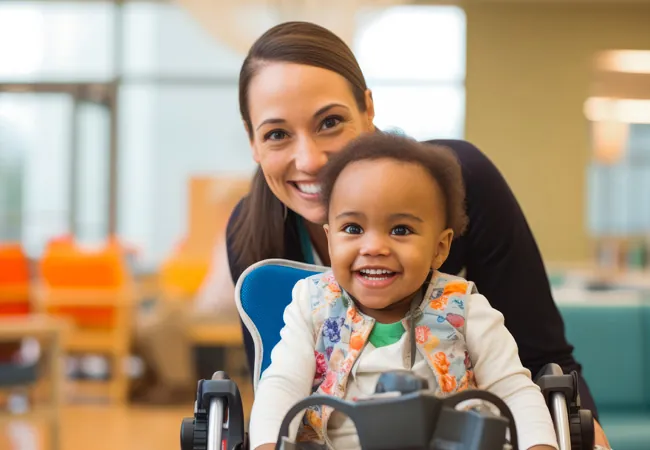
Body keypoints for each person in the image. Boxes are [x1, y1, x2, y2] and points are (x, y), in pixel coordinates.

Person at [224, 21, 610, 447]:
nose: (311, 160)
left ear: (368, 109)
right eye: (277, 133)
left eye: (330, 121)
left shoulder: (463, 276)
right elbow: (277, 388)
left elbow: (538, 364)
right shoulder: (270, 260)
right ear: (253, 142)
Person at [249, 132, 559, 450]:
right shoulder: (312, 304)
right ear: (330, 239)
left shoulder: (465, 307)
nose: (373, 247)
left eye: (400, 230)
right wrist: (266, 445)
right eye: (353, 229)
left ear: (440, 248)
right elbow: (282, 386)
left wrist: (539, 445)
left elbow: (514, 390)